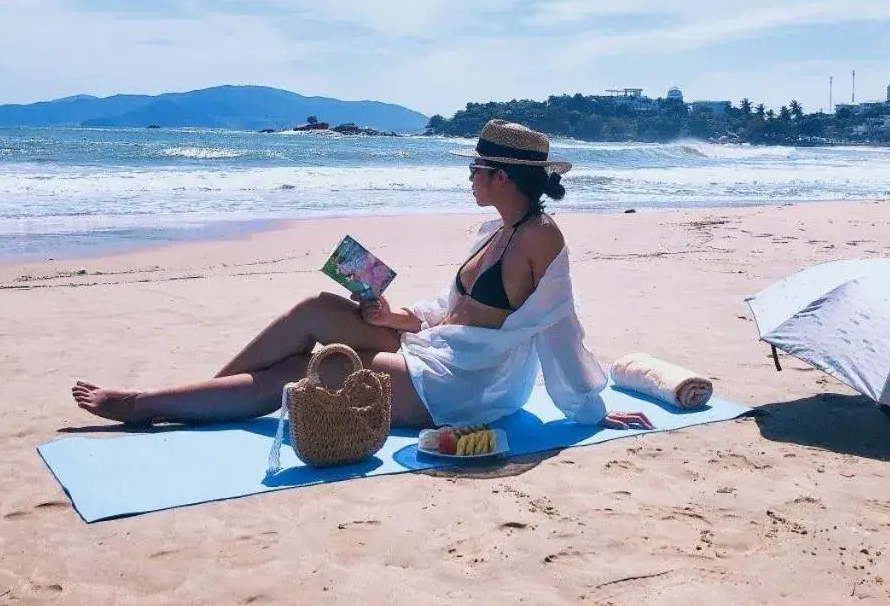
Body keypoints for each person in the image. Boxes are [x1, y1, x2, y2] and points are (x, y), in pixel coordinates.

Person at [72, 119, 654, 433]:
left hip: (465, 386)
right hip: (440, 348)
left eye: (477, 169)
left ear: (501, 175)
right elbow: (449, 310)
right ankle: (204, 397)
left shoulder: (540, 237)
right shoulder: (495, 231)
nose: (469, 178)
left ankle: (152, 404)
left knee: (308, 368)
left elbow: (559, 327)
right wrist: (390, 316)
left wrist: (591, 409)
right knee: (317, 309)